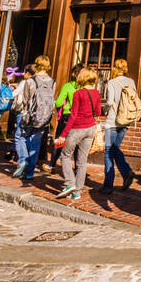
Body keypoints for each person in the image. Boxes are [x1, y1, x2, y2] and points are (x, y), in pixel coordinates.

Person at [56, 67, 102, 199]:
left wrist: (63, 135)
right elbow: (98, 112)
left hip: (77, 128)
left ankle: (70, 183)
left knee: (65, 155)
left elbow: (73, 116)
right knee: (82, 161)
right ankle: (77, 192)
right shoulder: (97, 94)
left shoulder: (78, 93)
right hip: (90, 129)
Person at [12, 57, 55, 184]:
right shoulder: (52, 81)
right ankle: (30, 173)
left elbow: (25, 100)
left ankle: (23, 160)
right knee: (35, 143)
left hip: (30, 116)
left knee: (19, 137)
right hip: (44, 117)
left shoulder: (31, 81)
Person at [98, 59, 136, 194]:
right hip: (126, 120)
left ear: (114, 68)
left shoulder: (112, 82)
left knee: (109, 151)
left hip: (113, 120)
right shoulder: (131, 82)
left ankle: (108, 185)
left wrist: (104, 108)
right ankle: (126, 172)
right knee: (115, 149)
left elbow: (109, 101)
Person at [49, 62, 78, 171]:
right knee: (77, 145)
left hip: (67, 116)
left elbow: (58, 102)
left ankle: (52, 164)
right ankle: (77, 168)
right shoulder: (84, 88)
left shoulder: (68, 86)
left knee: (59, 141)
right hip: (79, 118)